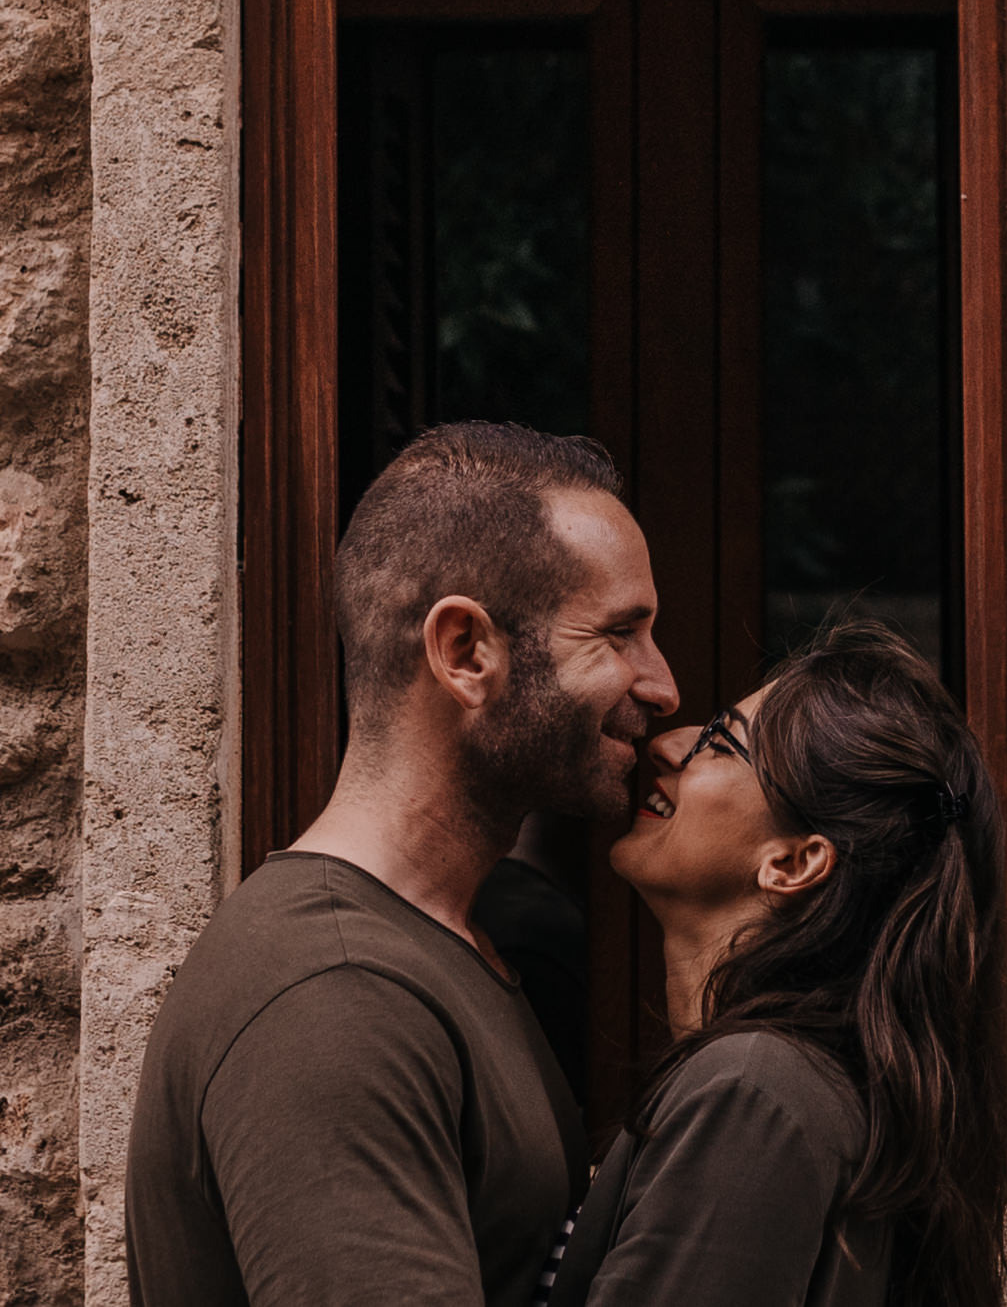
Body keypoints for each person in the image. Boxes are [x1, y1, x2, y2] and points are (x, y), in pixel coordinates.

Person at [125, 421, 679, 1307]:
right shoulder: (336, 994)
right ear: (464, 651)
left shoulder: (437, 946)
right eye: (618, 634)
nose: (661, 685)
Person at [543, 620, 1007, 1307]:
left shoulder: (752, 1091)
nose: (667, 742)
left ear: (793, 862)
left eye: (719, 743)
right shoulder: (783, 1083)